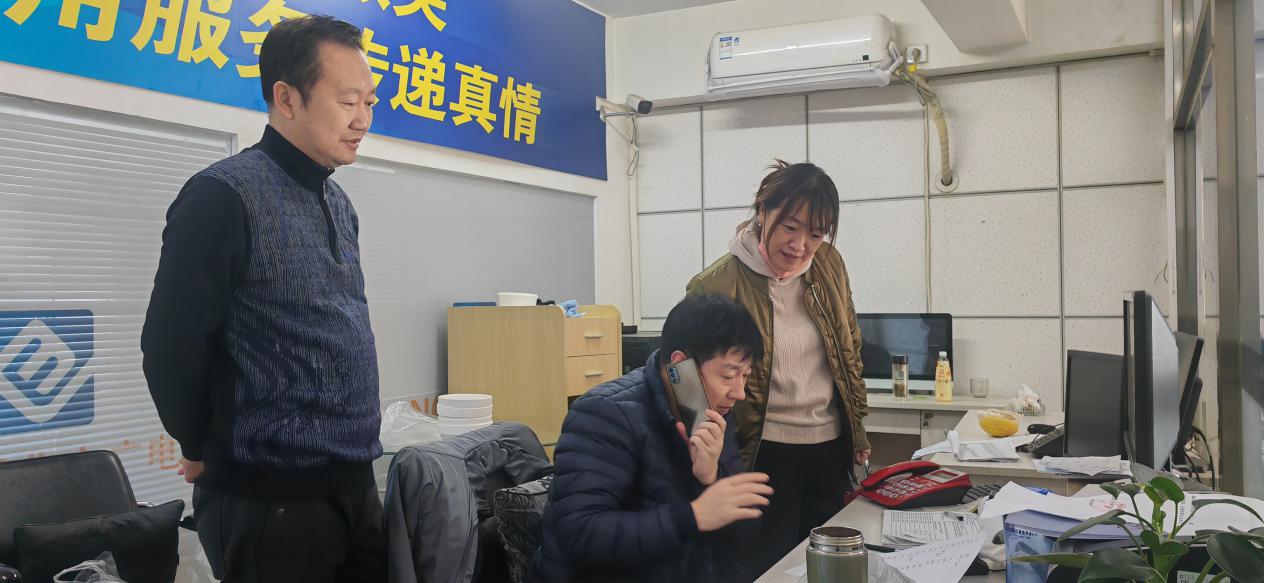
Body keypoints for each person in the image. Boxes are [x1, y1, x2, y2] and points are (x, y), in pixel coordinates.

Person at [140, 15, 384, 583]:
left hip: (353, 483)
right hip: (270, 500)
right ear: (286, 97)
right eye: (349, 101)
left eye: (370, 102)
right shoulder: (222, 195)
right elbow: (172, 343)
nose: (363, 119)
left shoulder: (338, 202)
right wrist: (197, 443)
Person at [687, 160, 871, 575]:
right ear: (762, 211)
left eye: (816, 234)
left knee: (828, 566)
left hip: (829, 448)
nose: (800, 245)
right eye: (790, 227)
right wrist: (705, 454)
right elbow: (685, 380)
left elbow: (849, 348)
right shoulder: (715, 285)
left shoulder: (829, 265)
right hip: (760, 452)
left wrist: (857, 426)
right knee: (768, 568)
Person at [533, 294, 774, 583]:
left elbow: (745, 531)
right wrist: (693, 516)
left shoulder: (710, 412)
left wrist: (710, 477)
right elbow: (581, 532)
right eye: (728, 376)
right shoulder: (605, 413)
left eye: (745, 376)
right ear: (680, 365)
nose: (739, 393)